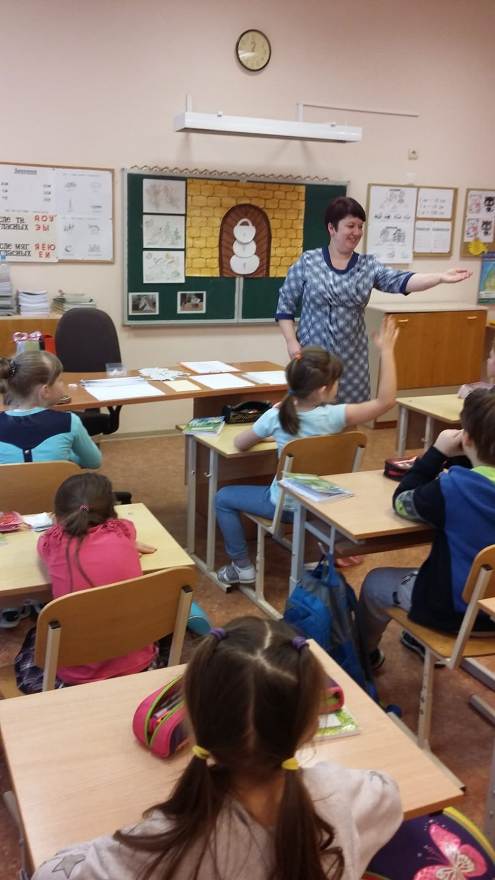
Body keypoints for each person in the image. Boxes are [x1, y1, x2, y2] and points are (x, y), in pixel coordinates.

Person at [32, 617, 403, 880]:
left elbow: (50, 874)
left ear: (191, 723)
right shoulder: (337, 791)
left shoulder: (162, 842)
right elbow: (388, 794)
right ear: (309, 728)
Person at [215, 316, 398, 587]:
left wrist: (270, 420)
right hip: (324, 505)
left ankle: (241, 567)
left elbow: (240, 443)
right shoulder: (336, 416)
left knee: (223, 497)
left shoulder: (275, 417)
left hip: (285, 506)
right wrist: (387, 351)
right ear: (323, 390)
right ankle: (312, 560)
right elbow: (386, 401)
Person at [276, 196, 472, 403]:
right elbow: (285, 304)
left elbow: (402, 281)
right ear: (332, 228)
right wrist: (291, 342)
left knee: (352, 416)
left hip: (352, 362)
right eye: (350, 226)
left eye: (360, 226)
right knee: (308, 412)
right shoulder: (308, 261)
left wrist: (440, 277)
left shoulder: (368, 266)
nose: (356, 232)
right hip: (312, 359)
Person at [357, 388, 495, 670]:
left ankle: (363, 657)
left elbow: (402, 502)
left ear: (466, 438)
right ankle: (416, 640)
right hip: (492, 611)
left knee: (375, 583)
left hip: (455, 613)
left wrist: (436, 453)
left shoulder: (454, 489)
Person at [16, 472, 157, 691]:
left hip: (75, 676)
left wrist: (57, 525)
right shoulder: (123, 530)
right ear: (112, 510)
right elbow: (127, 528)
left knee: (37, 635)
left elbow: (42, 545)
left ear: (58, 514)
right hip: (138, 664)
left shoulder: (53, 541)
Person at [0, 350, 101, 467]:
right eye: (60, 380)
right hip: (59, 480)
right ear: (45, 391)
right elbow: (94, 462)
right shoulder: (70, 422)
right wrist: (66, 457)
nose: (62, 384)